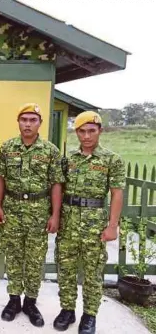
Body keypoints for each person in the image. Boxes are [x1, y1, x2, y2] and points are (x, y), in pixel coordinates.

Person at [53, 111, 124, 334]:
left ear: (99, 131)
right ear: (77, 133)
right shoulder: (69, 159)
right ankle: (67, 309)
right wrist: (57, 216)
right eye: (82, 131)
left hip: (95, 225)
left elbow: (116, 194)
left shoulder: (112, 160)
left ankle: (90, 315)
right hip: (69, 221)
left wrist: (113, 226)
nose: (86, 136)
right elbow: (59, 188)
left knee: (93, 273)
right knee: (65, 269)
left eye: (91, 131)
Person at [0, 103, 64, 327]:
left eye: (32, 120)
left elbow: (55, 184)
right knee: (13, 257)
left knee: (34, 260)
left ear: (40, 123)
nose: (27, 124)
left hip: (38, 212)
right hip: (12, 209)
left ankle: (31, 302)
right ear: (18, 122)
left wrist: (55, 214)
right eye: (24, 119)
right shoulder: (7, 147)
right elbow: (0, 178)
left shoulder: (50, 151)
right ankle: (14, 300)